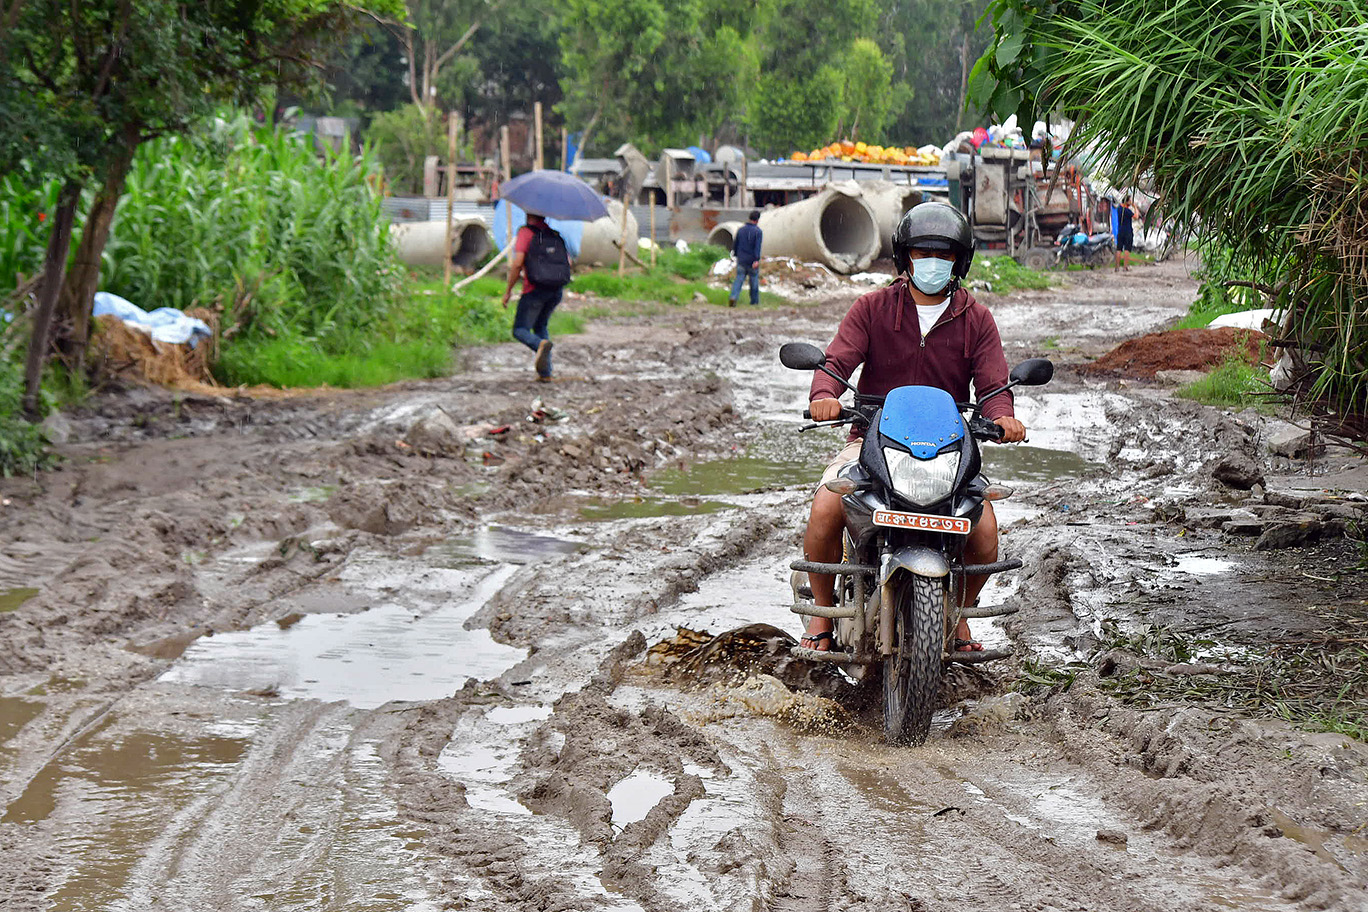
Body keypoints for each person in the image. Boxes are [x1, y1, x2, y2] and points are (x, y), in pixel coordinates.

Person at [801, 202, 1027, 653]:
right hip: (871, 440)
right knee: (826, 507)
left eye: (943, 255)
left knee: (984, 534)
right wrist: (824, 397)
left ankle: (958, 615)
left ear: (959, 261)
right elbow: (837, 360)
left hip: (947, 449)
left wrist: (1003, 416)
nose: (932, 263)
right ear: (905, 257)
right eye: (923, 253)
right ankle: (820, 620)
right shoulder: (872, 308)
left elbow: (993, 383)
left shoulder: (976, 319)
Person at [501, 212, 571, 381]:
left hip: (534, 289)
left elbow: (517, 263)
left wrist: (508, 290)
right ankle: (545, 373)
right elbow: (568, 263)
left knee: (520, 330)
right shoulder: (552, 234)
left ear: (528, 213)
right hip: (555, 290)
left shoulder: (526, 233)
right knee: (540, 327)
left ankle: (538, 344)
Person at [728, 210, 763, 307]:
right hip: (752, 261)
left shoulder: (740, 230)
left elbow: (735, 244)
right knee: (754, 282)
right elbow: (757, 247)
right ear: (757, 220)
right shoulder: (758, 232)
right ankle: (754, 302)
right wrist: (756, 259)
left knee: (738, 280)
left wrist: (735, 255)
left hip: (741, 260)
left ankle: (733, 297)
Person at [1114, 195, 1137, 271]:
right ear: (1127, 201)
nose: (1131, 202)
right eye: (1130, 201)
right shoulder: (1127, 211)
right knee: (1127, 249)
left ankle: (1117, 267)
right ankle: (1125, 267)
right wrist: (1135, 207)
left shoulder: (1119, 209)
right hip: (1128, 231)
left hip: (1120, 231)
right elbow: (1136, 216)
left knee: (1119, 249)